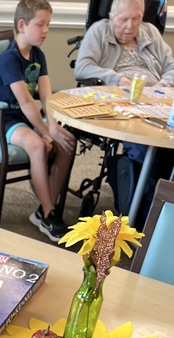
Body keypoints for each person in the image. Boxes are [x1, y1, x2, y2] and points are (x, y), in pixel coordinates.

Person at [74, 0, 174, 220]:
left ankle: (165, 210)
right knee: (146, 148)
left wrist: (161, 86)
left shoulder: (151, 34)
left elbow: (171, 67)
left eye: (136, 18)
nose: (130, 26)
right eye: (123, 20)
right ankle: (144, 214)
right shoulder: (99, 32)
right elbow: (82, 68)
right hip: (124, 107)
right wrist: (116, 78)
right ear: (111, 16)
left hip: (158, 103)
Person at [0, 0, 77, 242]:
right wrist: (45, 132)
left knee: (67, 143)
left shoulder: (38, 54)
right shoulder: (9, 58)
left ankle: (45, 209)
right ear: (22, 25)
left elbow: (46, 95)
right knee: (38, 145)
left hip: (27, 119)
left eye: (48, 24)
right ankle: (49, 214)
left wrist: (53, 125)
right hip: (4, 120)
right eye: (40, 24)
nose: (46, 30)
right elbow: (26, 102)